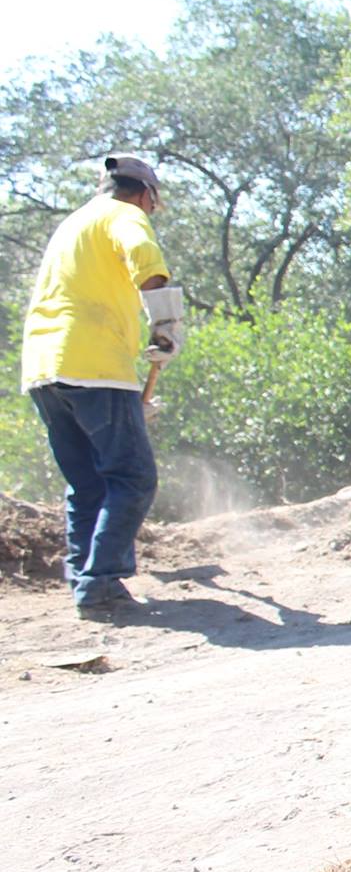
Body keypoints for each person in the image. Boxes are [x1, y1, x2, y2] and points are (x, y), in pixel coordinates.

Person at [19, 154, 185, 619]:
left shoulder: (74, 224)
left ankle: (85, 582)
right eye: (153, 203)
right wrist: (167, 325)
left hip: (43, 368)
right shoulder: (126, 216)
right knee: (132, 478)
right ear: (145, 194)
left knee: (87, 482)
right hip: (94, 365)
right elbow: (147, 263)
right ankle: (101, 582)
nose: (151, 211)